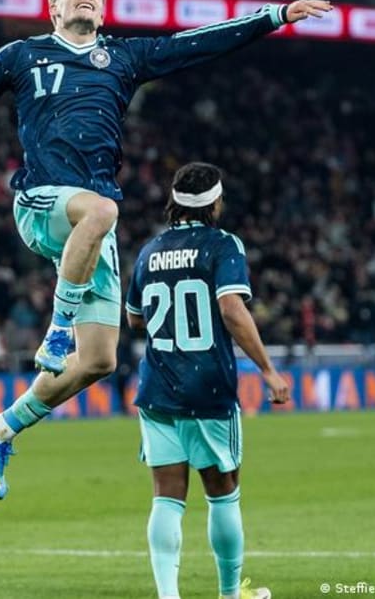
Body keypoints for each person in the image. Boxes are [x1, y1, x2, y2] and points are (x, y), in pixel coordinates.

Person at [0, 0, 331, 499]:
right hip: (44, 200)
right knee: (102, 214)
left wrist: (274, 16)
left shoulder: (124, 58)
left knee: (99, 360)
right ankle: (58, 325)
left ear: (103, 9)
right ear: (54, 8)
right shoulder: (23, 56)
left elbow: (195, 44)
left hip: (92, 223)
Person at [125, 162, 289, 599]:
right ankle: (230, 593)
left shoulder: (150, 251)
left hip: (158, 387)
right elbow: (232, 309)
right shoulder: (223, 245)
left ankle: (168, 595)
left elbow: (134, 318)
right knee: (222, 492)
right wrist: (269, 370)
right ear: (216, 201)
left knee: (166, 495)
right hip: (208, 387)